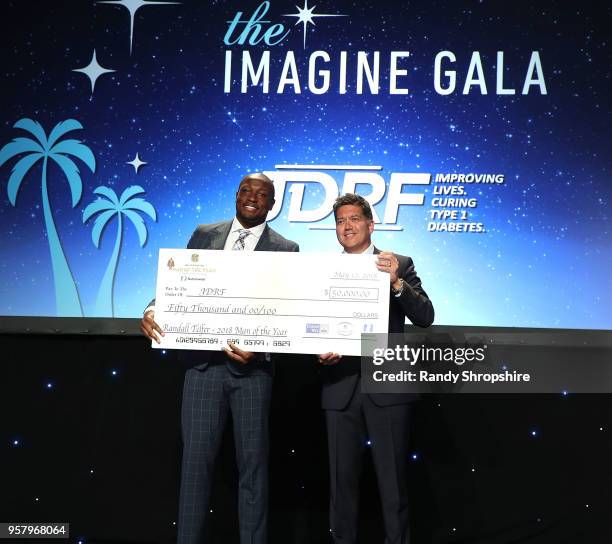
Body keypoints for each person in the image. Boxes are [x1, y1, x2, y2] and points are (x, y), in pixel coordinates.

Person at [140, 173, 299, 544]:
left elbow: (286, 311)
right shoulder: (204, 234)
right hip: (202, 368)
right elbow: (176, 285)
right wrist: (152, 309)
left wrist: (262, 347)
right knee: (195, 469)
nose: (252, 198)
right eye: (246, 191)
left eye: (262, 194)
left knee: (253, 471)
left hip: (253, 373)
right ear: (236, 195)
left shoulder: (287, 249)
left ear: (272, 205)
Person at [318, 193, 434, 544]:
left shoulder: (398, 262)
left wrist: (397, 282)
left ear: (370, 224)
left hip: (387, 384)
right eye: (340, 221)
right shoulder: (322, 270)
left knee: (393, 485)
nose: (347, 226)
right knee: (342, 487)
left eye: (354, 219)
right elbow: (312, 325)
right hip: (340, 385)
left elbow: (425, 317)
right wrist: (317, 350)